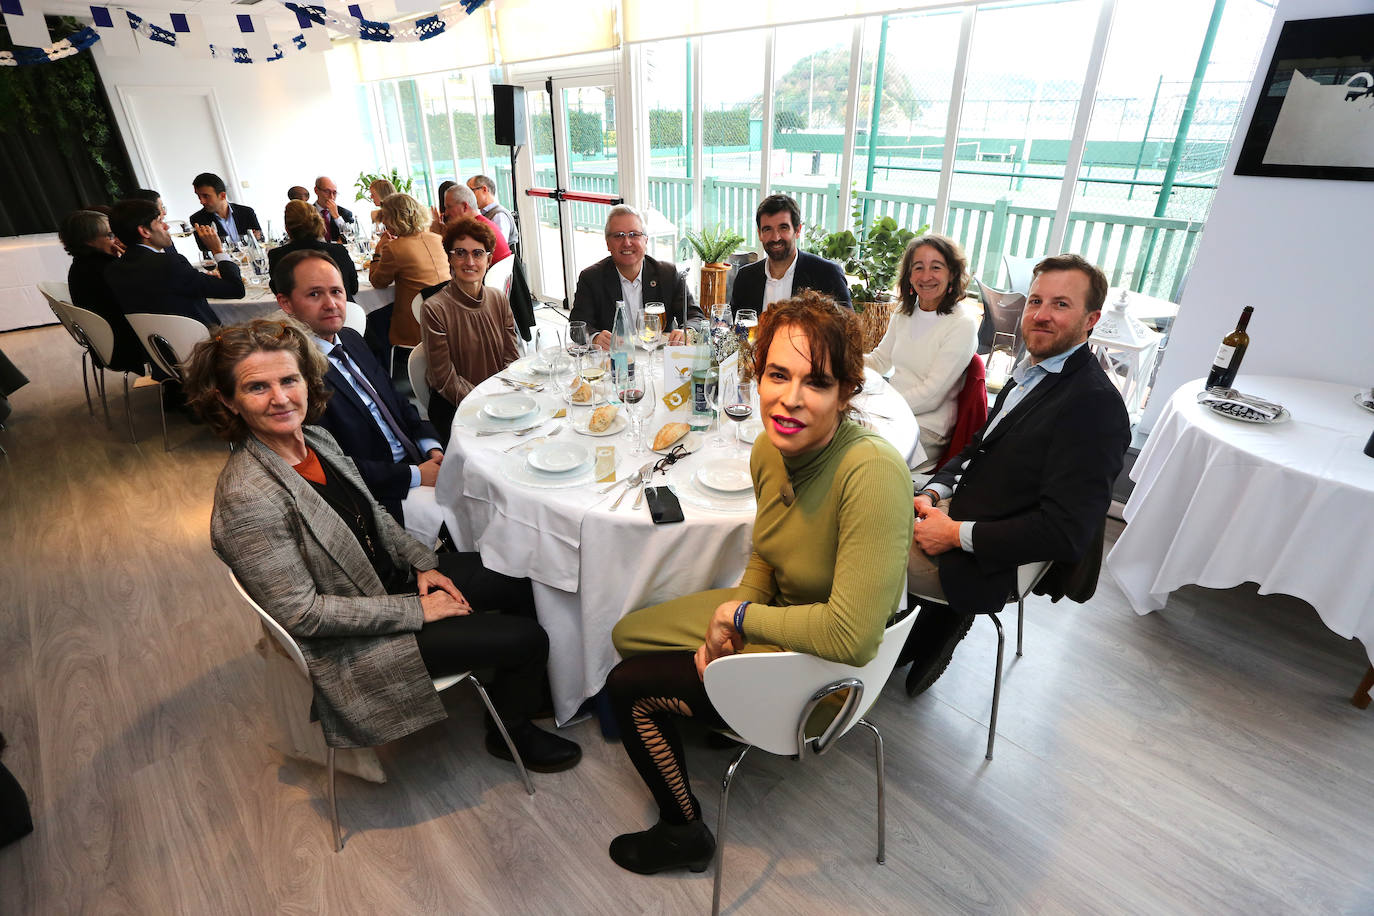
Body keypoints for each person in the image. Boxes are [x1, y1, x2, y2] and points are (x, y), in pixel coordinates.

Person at [605, 290, 913, 874]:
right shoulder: (771, 449)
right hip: (781, 621)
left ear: (846, 392)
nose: (789, 399)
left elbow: (851, 638)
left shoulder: (871, 471)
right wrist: (733, 628)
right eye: (777, 374)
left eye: (816, 382)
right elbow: (767, 556)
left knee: (627, 688)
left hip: (826, 672)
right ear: (757, 375)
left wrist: (739, 618)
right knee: (628, 634)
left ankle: (683, 831)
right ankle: (718, 718)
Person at [186, 317, 580, 769]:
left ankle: (514, 685)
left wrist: (422, 562)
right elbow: (303, 614)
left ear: (307, 381)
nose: (280, 398)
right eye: (257, 387)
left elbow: (372, 513)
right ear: (227, 400)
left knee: (521, 577)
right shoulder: (247, 498)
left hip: (388, 581)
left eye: (289, 380)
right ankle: (510, 731)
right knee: (528, 637)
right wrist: (417, 611)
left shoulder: (314, 438)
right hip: (354, 639)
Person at [902, 253, 1131, 697]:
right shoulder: (1032, 371)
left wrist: (954, 535)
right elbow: (977, 448)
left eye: (1061, 304)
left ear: (1091, 320)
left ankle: (916, 627)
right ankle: (923, 621)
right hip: (970, 507)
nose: (1041, 315)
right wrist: (933, 493)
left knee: (859, 541)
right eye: (1036, 301)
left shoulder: (1095, 406)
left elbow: (1065, 533)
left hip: (995, 556)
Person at [274, 249, 445, 545]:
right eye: (314, 294)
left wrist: (431, 446)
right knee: (465, 518)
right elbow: (331, 465)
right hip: (376, 493)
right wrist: (416, 475)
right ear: (286, 303)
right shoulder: (293, 374)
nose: (331, 304)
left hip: (417, 461)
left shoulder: (351, 339)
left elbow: (396, 402)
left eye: (336, 292)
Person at [865, 234, 979, 472]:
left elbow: (931, 395)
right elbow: (879, 361)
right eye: (918, 267)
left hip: (926, 429)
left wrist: (878, 407)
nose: (926, 277)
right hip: (890, 413)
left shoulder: (962, 324)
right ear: (909, 275)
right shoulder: (904, 312)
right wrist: (839, 359)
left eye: (936, 267)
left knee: (856, 457)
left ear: (952, 273)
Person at [421, 218, 521, 443]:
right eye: (460, 253)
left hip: (500, 401)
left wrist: (507, 398)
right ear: (449, 258)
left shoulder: (498, 299)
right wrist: (486, 405)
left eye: (478, 253)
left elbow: (512, 358)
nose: (469, 262)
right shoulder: (434, 309)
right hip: (457, 408)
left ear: (489, 259)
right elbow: (444, 379)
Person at [570, 205, 702, 349]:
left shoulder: (667, 274)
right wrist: (594, 338)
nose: (627, 242)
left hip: (658, 354)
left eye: (634, 234)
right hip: (615, 356)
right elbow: (577, 327)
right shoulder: (591, 278)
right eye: (618, 235)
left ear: (645, 240)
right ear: (608, 243)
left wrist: (687, 331)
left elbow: (695, 316)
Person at [105, 197, 244, 330]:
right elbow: (235, 289)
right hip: (203, 341)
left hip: (156, 343)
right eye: (160, 221)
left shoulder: (112, 270)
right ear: (145, 231)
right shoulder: (170, 263)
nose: (166, 226)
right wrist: (217, 250)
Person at [730, 194, 851, 314]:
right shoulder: (745, 277)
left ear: (797, 230)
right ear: (759, 234)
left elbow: (848, 325)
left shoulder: (827, 274)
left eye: (783, 228)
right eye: (767, 229)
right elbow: (735, 323)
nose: (776, 237)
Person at [60, 209, 146, 374]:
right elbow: (143, 299)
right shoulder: (108, 270)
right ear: (89, 241)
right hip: (126, 345)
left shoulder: (81, 265)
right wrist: (134, 262)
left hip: (106, 344)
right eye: (110, 235)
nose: (117, 240)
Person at [367, 192, 450, 355]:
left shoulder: (394, 248)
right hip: (446, 313)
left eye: (385, 216)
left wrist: (378, 252)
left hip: (416, 322)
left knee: (373, 320)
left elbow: (377, 282)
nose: (383, 221)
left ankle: (385, 364)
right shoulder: (435, 238)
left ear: (395, 218)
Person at [267, 200, 359, 298]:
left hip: (301, 308)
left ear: (287, 229)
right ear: (319, 223)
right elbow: (353, 288)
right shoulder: (338, 251)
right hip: (344, 307)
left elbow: (279, 292)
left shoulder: (277, 255)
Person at [189, 172, 262, 252]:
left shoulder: (246, 212)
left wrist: (257, 237)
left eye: (206, 196)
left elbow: (260, 240)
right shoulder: (198, 219)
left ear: (222, 195)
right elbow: (206, 251)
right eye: (198, 196)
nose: (201, 201)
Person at [442, 184, 511, 264]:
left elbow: (446, 262)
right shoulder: (483, 223)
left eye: (449, 207)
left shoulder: (472, 230)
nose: (446, 213)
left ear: (464, 206)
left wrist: (438, 234)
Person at [466, 174, 518, 247]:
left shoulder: (499, 215)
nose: (469, 197)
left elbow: (499, 245)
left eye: (471, 191)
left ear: (484, 189)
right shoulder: (487, 214)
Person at [313, 175, 355, 243]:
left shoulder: (345, 213)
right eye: (327, 191)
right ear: (316, 190)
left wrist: (337, 217)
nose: (331, 197)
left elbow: (352, 237)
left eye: (334, 193)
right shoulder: (306, 212)